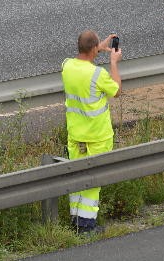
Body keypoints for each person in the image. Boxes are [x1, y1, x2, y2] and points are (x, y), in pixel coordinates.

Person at [61, 30, 121, 234]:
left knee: (77, 179)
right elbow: (117, 90)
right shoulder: (98, 74)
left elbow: (81, 60)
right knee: (92, 182)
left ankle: (76, 222)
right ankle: (86, 227)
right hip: (97, 137)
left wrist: (99, 47)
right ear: (94, 49)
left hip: (75, 136)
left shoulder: (67, 66)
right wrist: (113, 62)